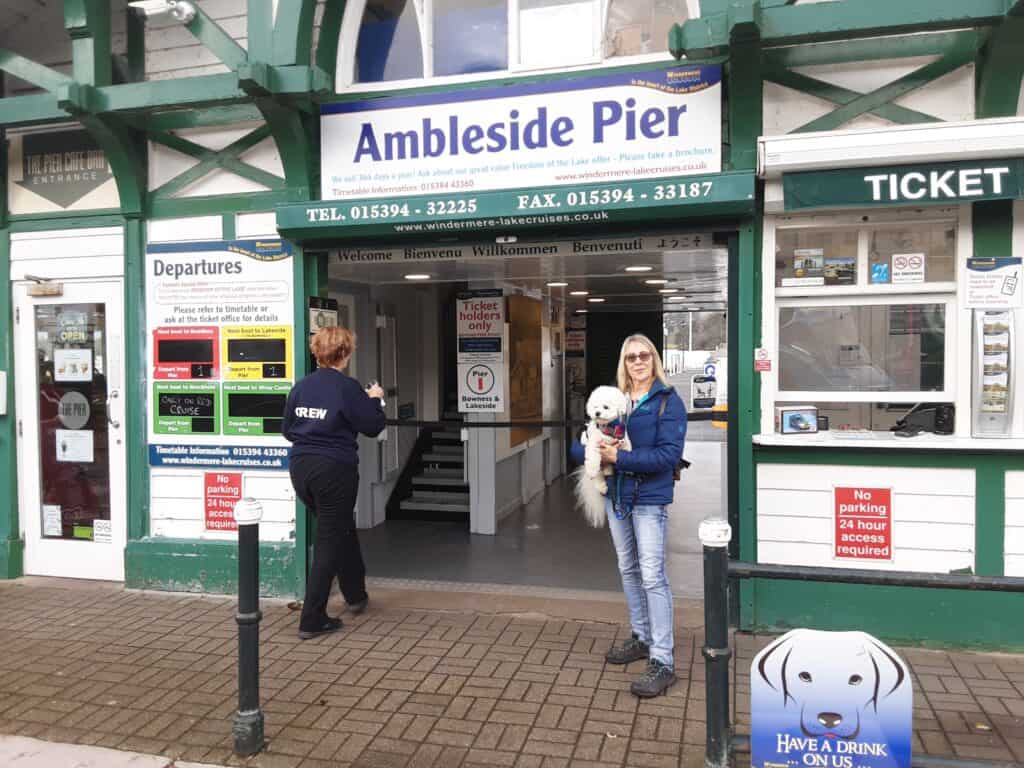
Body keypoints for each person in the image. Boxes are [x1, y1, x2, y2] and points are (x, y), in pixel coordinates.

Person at [572, 333, 687, 697]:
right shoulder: (614, 398)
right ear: (624, 363)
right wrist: (587, 447)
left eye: (644, 355)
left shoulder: (668, 401)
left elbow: (668, 456)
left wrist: (617, 458)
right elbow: (579, 448)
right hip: (617, 497)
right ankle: (641, 636)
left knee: (652, 575)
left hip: (649, 498)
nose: (638, 362)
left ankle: (663, 659)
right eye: (631, 357)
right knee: (628, 568)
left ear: (654, 359)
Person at [282, 326, 385, 640]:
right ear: (346, 353)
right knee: (329, 539)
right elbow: (372, 426)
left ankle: (355, 594)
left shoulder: (301, 386)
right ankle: (312, 619)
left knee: (339, 527)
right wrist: (376, 400)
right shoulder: (347, 387)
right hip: (334, 471)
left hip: (301, 468)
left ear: (317, 352)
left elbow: (287, 429)